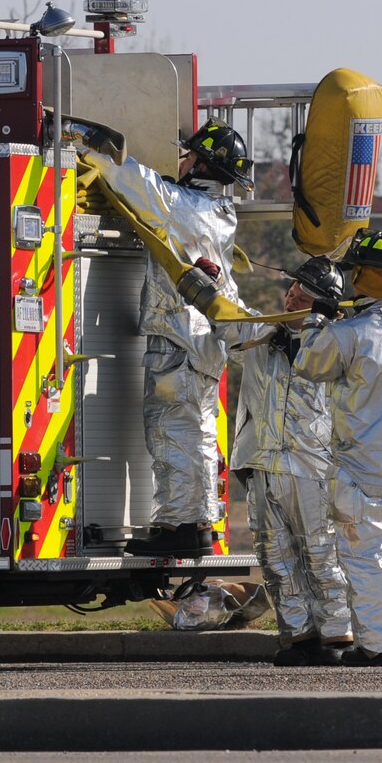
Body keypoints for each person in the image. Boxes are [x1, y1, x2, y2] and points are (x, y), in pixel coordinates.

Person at [98, 121, 255, 557]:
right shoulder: (219, 214)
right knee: (199, 434)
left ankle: (179, 528)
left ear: (202, 163)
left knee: (173, 436)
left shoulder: (181, 206)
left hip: (178, 342)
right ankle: (197, 523)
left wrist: (89, 149)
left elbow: (131, 180)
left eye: (189, 155)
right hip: (202, 343)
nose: (182, 161)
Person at [291, 229, 382, 667]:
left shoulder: (350, 332)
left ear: (359, 277)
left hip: (365, 467)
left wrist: (317, 320)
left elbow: (309, 364)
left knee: (369, 557)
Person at [226, 257, 353, 667]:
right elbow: (225, 317)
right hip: (262, 464)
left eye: (303, 295)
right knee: (273, 554)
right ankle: (297, 637)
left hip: (312, 467)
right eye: (292, 291)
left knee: (320, 553)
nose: (291, 297)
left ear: (323, 307)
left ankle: (337, 635)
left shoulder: (336, 345)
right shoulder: (262, 335)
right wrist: (209, 276)